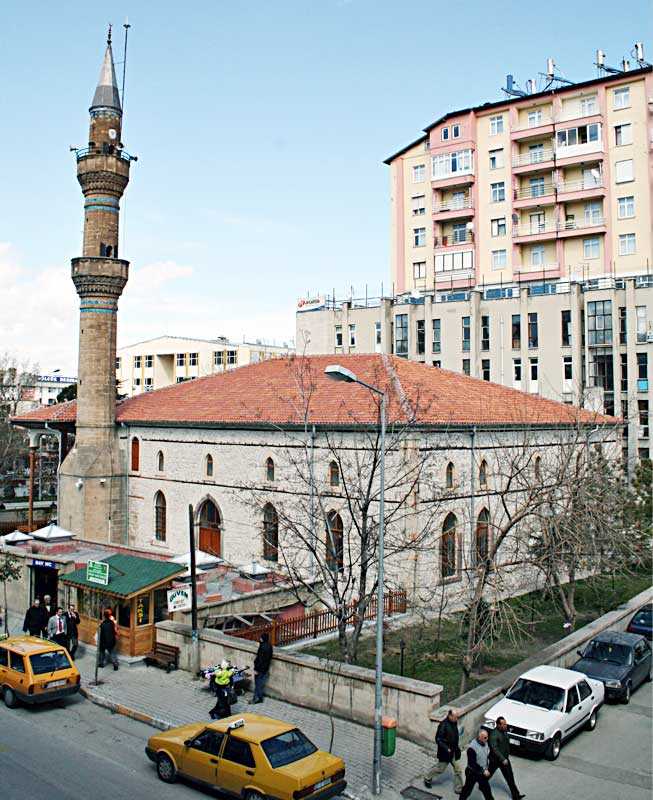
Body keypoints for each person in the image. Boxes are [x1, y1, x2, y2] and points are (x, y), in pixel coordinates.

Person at [424, 708, 463, 794]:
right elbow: (438, 739)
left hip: (453, 751)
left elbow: (455, 736)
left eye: (457, 717)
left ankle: (458, 788)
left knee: (458, 770)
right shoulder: (443, 725)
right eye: (456, 717)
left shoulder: (454, 723)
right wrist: (447, 749)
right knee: (440, 769)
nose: (457, 719)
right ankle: (427, 778)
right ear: (450, 716)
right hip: (446, 753)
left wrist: (456, 748)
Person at [488, 717, 525, 800]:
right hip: (496, 760)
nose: (506, 725)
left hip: (504, 759)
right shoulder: (494, 734)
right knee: (488, 774)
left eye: (505, 723)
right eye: (503, 724)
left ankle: (516, 796)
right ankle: (481, 783)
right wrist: (503, 759)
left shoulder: (504, 731)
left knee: (510, 777)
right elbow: (494, 748)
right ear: (498, 725)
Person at [459, 728, 495, 800]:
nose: (487, 739)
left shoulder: (485, 743)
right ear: (479, 737)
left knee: (487, 791)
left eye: (487, 737)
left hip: (481, 774)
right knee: (467, 790)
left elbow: (486, 754)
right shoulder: (472, 748)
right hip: (472, 773)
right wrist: (483, 771)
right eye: (485, 738)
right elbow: (472, 764)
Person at [251, 632, 273, 704]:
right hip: (265, 668)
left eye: (261, 638)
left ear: (263, 639)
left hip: (260, 668)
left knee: (258, 684)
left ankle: (256, 698)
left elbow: (260, 659)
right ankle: (260, 698)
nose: (259, 639)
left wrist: (256, 669)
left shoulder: (262, 647)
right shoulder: (269, 646)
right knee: (261, 683)